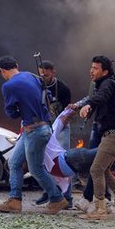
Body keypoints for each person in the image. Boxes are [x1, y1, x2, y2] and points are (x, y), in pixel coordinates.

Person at [32, 109, 115, 209]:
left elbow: (58, 124)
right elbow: (59, 183)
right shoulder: (40, 167)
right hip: (74, 164)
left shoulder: (43, 142)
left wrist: (70, 110)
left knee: (109, 151)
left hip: (75, 159)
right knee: (106, 165)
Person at [0, 55, 67, 214]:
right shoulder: (31, 76)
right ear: (17, 65)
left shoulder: (8, 86)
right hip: (40, 128)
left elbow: (11, 113)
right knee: (14, 163)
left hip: (35, 131)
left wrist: (18, 109)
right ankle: (14, 200)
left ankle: (57, 199)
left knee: (35, 169)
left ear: (2, 71)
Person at [78, 55, 115, 220]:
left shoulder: (108, 84)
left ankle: (101, 209)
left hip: (114, 136)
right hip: (111, 135)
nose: (91, 71)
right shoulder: (104, 84)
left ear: (105, 71)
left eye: (95, 68)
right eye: (91, 67)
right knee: (103, 171)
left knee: (96, 169)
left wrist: (89, 104)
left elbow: (102, 96)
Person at [38, 60, 73, 207]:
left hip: (61, 127)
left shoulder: (63, 89)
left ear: (53, 72)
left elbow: (68, 112)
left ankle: (68, 197)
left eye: (46, 74)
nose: (44, 77)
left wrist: (59, 127)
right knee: (44, 161)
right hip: (44, 126)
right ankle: (50, 192)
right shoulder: (37, 86)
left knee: (63, 161)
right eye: (41, 74)